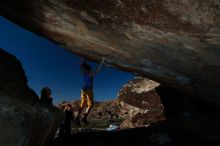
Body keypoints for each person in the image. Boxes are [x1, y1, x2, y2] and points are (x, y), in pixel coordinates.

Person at [75, 57, 105, 125]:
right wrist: (102, 62)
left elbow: (81, 66)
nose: (91, 70)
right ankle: (83, 117)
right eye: (91, 69)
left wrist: (83, 61)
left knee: (84, 104)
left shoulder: (84, 72)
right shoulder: (90, 73)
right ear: (89, 69)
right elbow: (97, 70)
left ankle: (79, 117)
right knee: (89, 104)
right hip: (88, 89)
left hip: (84, 89)